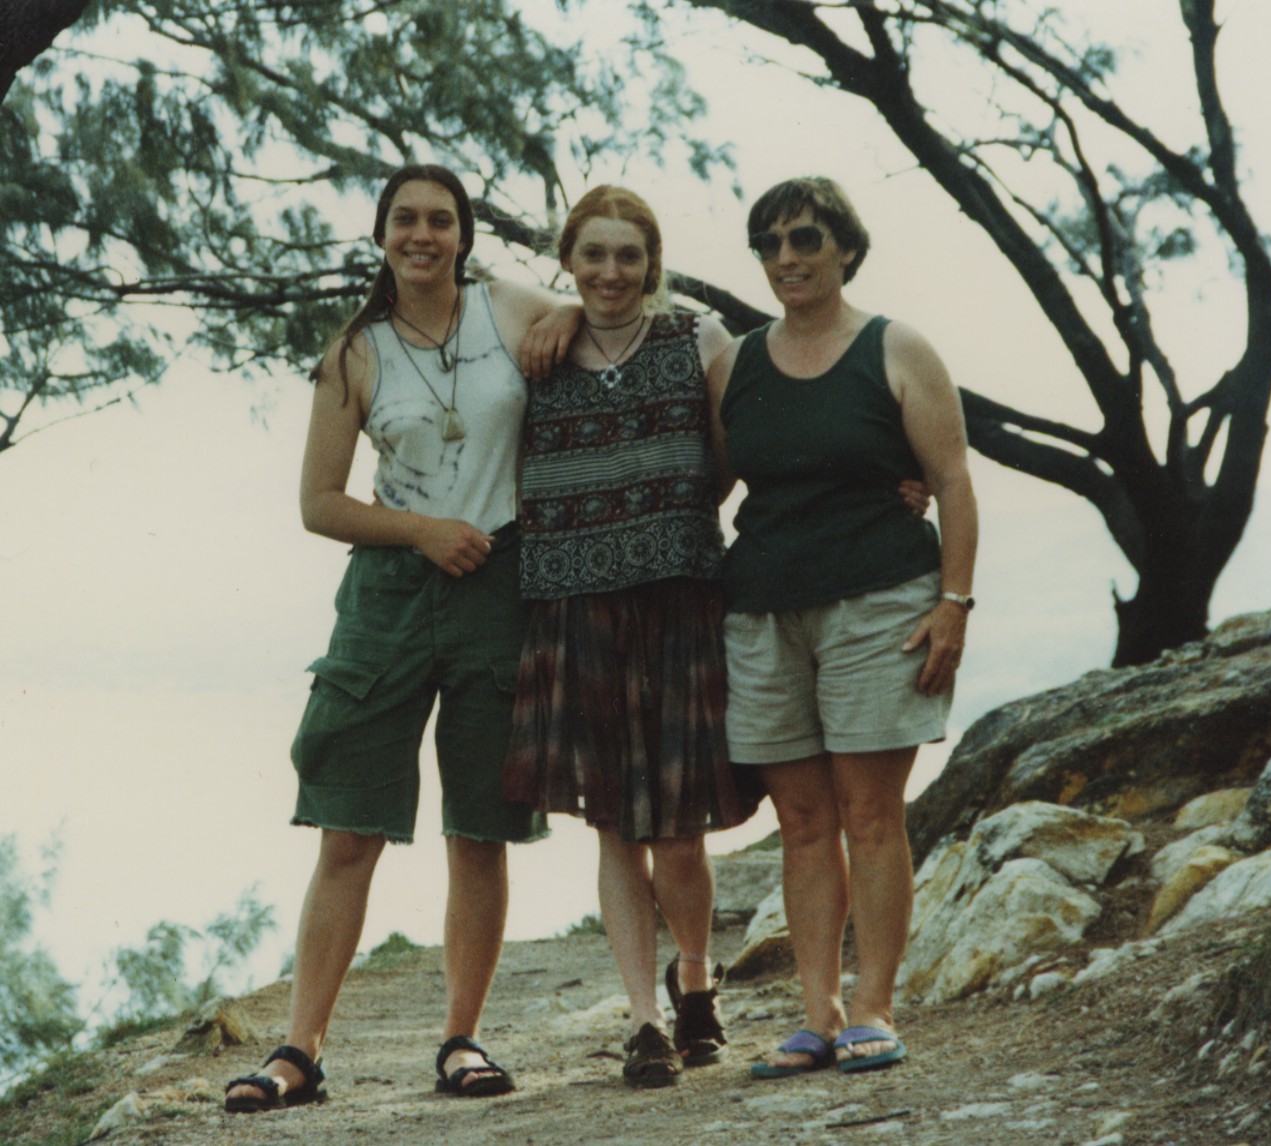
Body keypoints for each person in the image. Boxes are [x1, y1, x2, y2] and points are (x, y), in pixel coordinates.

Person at [224, 164, 575, 1112]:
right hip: (388, 590)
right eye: (405, 220)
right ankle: (298, 1051)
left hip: (500, 582)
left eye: (441, 220)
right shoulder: (355, 350)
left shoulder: (509, 308)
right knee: (349, 827)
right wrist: (420, 530)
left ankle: (463, 1039)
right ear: (382, 234)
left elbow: (604, 314)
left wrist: (568, 317)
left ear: (465, 234)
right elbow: (318, 503)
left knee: (480, 826)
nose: (423, 234)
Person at [708, 176, 978, 1080]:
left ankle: (873, 1005)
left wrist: (955, 603)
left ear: (845, 250)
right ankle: (815, 1014)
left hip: (880, 606)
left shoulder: (896, 348)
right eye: (772, 243)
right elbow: (712, 487)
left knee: (870, 812)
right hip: (762, 613)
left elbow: (952, 484)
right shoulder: (735, 363)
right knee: (801, 820)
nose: (788, 257)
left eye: (807, 240)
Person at [501, 185, 762, 1089]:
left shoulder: (702, 340)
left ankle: (694, 982)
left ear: (652, 262)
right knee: (614, 827)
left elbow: (738, 457)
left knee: (682, 832)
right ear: (568, 261)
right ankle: (644, 1023)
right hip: (575, 608)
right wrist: (561, 314)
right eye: (593, 256)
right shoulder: (537, 345)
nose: (610, 273)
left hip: (681, 602)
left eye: (628, 256)